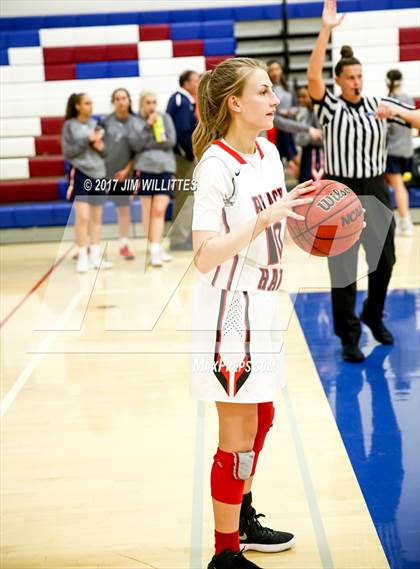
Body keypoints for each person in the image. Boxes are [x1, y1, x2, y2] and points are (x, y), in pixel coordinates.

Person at [191, 57, 316, 569]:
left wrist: (308, 216)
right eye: (264, 92)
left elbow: (275, 226)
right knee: (237, 436)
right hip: (230, 311)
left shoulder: (266, 149)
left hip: (265, 302)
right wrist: (263, 218)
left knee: (261, 418)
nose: (275, 100)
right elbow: (204, 254)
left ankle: (240, 516)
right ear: (235, 103)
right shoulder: (215, 166)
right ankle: (224, 556)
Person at [307, 0, 418, 363]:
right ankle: (348, 335)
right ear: (339, 80)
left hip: (374, 186)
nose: (356, 82)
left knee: (385, 260)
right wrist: (326, 30)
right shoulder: (329, 107)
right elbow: (311, 79)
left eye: (359, 76)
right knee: (342, 268)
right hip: (339, 191)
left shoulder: (378, 102)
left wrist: (397, 111)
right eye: (350, 78)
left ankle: (372, 312)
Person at [62, 92, 112, 273]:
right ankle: (82, 256)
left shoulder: (96, 124)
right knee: (82, 217)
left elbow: (105, 152)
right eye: (86, 103)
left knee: (97, 217)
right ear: (77, 106)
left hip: (99, 173)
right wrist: (87, 140)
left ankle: (95, 256)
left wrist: (101, 148)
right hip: (81, 173)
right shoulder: (70, 126)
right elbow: (68, 152)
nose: (90, 107)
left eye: (91, 103)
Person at [129, 91, 176, 267]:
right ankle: (154, 246)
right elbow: (135, 145)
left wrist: (148, 143)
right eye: (148, 102)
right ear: (142, 104)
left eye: (154, 102)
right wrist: (148, 127)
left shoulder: (165, 118)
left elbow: (171, 141)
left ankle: (156, 248)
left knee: (159, 210)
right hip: (144, 169)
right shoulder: (135, 122)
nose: (152, 106)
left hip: (165, 168)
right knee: (148, 212)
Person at [166, 70, 199, 250]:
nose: (198, 83)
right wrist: (189, 154)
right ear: (185, 83)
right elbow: (182, 132)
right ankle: (179, 238)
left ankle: (184, 234)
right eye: (195, 80)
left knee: (188, 197)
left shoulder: (186, 101)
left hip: (184, 156)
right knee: (184, 197)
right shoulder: (181, 100)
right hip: (183, 157)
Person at [102, 88, 137, 259]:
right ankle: (88, 247)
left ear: (129, 100)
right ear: (113, 102)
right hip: (103, 174)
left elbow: (137, 151)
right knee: (94, 209)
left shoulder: (135, 123)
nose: (121, 101)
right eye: (117, 98)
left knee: (123, 209)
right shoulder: (105, 122)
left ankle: (124, 245)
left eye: (124, 98)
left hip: (125, 175)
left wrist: (126, 170)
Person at [384, 69, 415, 237]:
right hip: (407, 150)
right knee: (399, 186)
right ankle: (402, 218)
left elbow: (387, 129)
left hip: (394, 151)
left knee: (397, 187)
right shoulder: (408, 98)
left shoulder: (389, 101)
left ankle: (405, 222)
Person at [266, 60, 300, 175]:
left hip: (288, 126)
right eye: (271, 70)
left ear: (281, 71)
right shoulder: (268, 88)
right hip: (274, 127)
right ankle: (289, 161)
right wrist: (279, 112)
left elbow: (297, 107)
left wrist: (290, 111)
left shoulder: (289, 87)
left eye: (276, 69)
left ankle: (291, 161)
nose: (274, 73)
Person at [294, 85, 324, 183]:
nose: (300, 99)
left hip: (317, 155)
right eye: (299, 96)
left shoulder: (316, 112)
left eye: (304, 96)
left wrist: (305, 138)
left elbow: (322, 137)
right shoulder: (303, 112)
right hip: (306, 153)